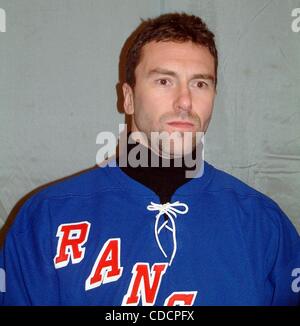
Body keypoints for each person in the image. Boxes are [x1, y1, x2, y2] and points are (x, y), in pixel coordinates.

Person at [0, 12, 300, 306]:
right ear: (128, 98)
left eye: (200, 83)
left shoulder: (262, 223)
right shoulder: (47, 217)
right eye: (164, 81)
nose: (184, 101)